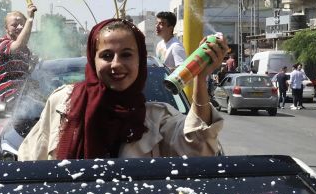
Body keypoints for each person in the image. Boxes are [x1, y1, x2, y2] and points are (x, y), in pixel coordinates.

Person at [18, 18, 227, 161]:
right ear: (93, 59)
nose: (116, 64)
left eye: (127, 54)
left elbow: (198, 147)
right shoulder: (64, 103)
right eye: (107, 56)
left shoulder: (156, 118)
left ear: (140, 60)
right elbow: (30, 164)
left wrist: (201, 78)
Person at [0, 3, 38, 106]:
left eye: (22, 25)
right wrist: (30, 19)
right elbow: (19, 44)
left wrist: (33, 65)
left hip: (24, 95)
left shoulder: (25, 50)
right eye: (14, 25)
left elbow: (24, 75)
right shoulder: (2, 43)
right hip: (11, 96)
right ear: (6, 29)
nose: (19, 27)